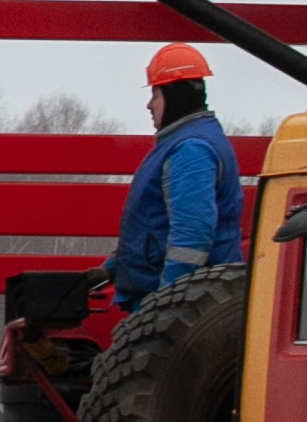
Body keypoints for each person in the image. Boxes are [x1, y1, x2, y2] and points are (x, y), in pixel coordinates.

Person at [97, 43, 245, 311]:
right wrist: (112, 269)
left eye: (155, 94)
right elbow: (155, 228)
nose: (149, 105)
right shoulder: (186, 143)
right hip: (184, 302)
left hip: (185, 308)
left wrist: (165, 308)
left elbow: (191, 237)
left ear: (174, 95)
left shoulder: (191, 150)